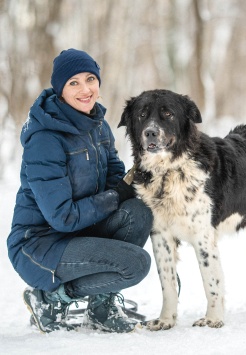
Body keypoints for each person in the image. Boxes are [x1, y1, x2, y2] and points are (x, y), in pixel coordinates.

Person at [7, 49, 153, 334]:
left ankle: (101, 308)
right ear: (60, 89)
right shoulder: (45, 139)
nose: (86, 89)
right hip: (40, 244)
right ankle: (50, 298)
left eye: (90, 79)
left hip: (80, 231)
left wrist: (145, 180)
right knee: (135, 265)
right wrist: (115, 196)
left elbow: (116, 180)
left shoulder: (97, 125)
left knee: (138, 212)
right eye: (74, 83)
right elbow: (61, 217)